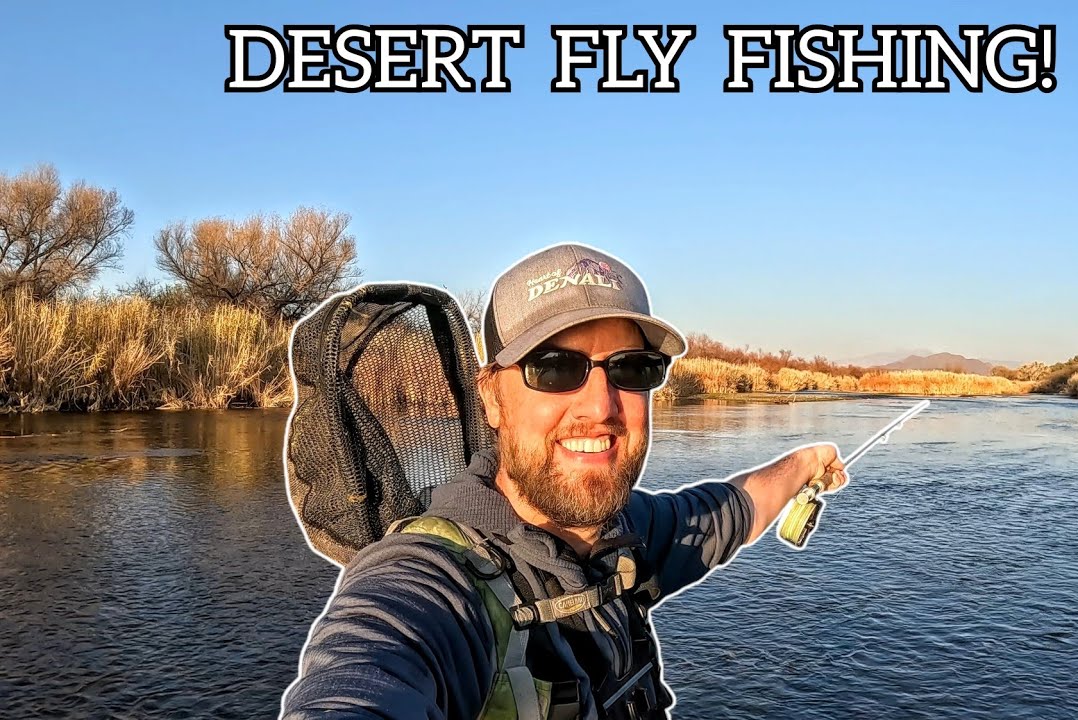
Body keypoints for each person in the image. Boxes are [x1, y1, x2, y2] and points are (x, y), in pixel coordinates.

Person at [280, 243, 848, 720]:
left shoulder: (626, 533)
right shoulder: (424, 582)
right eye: (554, 368)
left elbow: (724, 512)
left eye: (631, 369)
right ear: (491, 397)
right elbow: (361, 675)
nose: (601, 406)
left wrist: (805, 461)